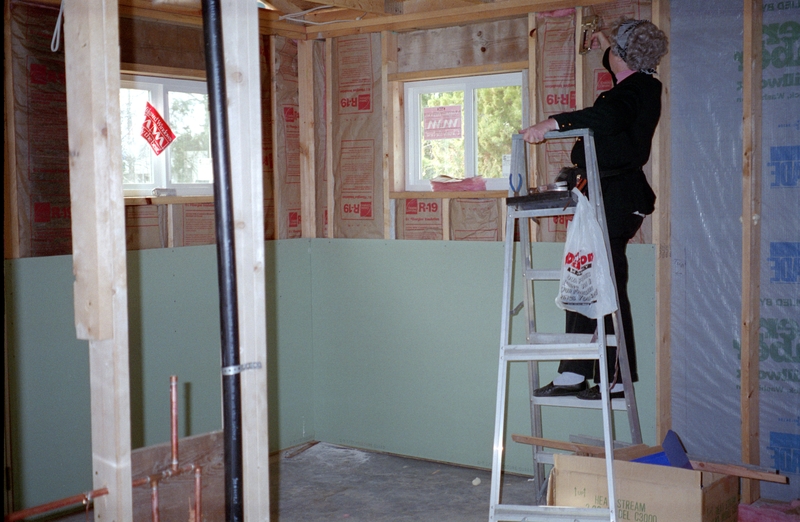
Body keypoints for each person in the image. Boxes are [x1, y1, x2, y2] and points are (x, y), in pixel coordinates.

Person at [522, 18, 668, 400]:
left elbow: (608, 116)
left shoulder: (636, 90)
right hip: (606, 197)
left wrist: (553, 122)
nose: (608, 56)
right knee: (586, 283)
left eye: (612, 51)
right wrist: (607, 40)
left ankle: (616, 379)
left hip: (617, 199)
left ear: (623, 56)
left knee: (604, 287)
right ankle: (575, 373)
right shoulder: (637, 82)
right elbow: (615, 68)